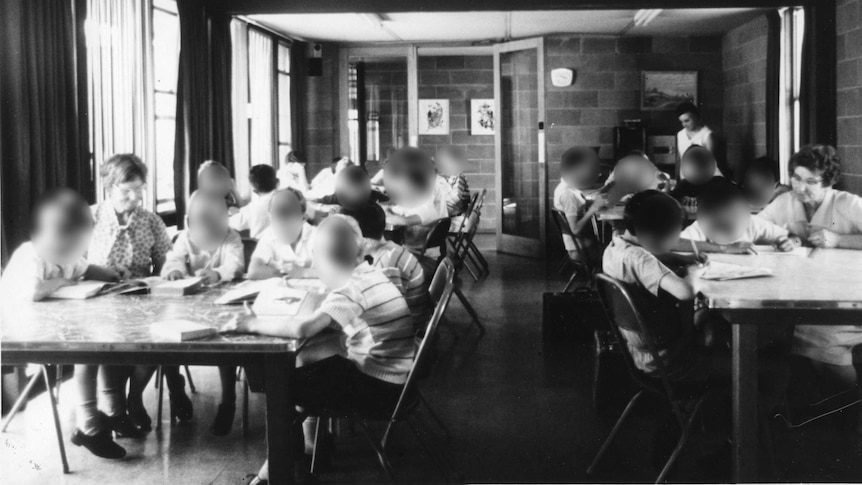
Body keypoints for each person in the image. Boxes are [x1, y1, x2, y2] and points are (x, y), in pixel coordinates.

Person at [223, 214, 415, 484]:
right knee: (304, 366)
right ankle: (307, 449)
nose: (314, 265)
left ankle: (274, 473)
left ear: (325, 259)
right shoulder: (369, 272)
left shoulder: (350, 289)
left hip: (380, 388)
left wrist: (253, 323)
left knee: (282, 390)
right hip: (395, 376)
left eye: (316, 257)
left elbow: (304, 329)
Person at [1, 188, 129, 458]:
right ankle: (89, 427)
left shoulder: (66, 253)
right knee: (91, 346)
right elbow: (34, 292)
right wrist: (61, 281)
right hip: (19, 330)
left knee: (106, 338)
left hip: (57, 324)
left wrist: (113, 274)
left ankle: (115, 411)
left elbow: (87, 268)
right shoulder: (31, 254)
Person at [758, 145, 862, 427]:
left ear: (829, 182)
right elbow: (756, 228)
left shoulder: (847, 203)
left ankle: (852, 408)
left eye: (811, 181)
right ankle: (821, 410)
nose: (801, 188)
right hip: (811, 290)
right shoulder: (786, 202)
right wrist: (779, 238)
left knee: (820, 335)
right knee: (787, 332)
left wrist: (839, 240)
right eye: (796, 178)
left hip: (850, 295)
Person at [211, 187, 316, 437]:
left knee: (303, 355)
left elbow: (328, 269)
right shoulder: (270, 235)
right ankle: (231, 400)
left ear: (302, 212)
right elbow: (256, 271)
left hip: (308, 309)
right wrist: (289, 271)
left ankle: (305, 425)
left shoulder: (317, 235)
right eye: (276, 213)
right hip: (277, 306)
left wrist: (301, 272)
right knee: (232, 331)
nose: (282, 218)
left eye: (289, 211)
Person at [88, 153, 172, 435]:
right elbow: (73, 265)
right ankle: (115, 409)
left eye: (140, 189)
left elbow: (164, 263)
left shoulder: (151, 221)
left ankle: (134, 398)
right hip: (99, 301)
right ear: (109, 187)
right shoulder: (90, 217)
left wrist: (168, 273)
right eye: (127, 191)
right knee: (106, 342)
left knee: (152, 341)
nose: (135, 197)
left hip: (142, 300)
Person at [602, 190, 712, 382]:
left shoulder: (616, 247)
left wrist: (680, 258)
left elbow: (648, 257)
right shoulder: (640, 259)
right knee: (712, 319)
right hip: (668, 360)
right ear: (656, 234)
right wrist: (694, 271)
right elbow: (685, 292)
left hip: (641, 351)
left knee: (705, 317)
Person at [347, 202, 432, 332]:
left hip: (407, 330)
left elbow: (388, 316)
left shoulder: (388, 264)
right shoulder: (390, 250)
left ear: (366, 242)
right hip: (410, 318)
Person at [674, 178, 800, 254]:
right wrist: (724, 248)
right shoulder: (704, 226)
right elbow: (674, 243)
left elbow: (793, 237)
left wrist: (792, 242)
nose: (727, 216)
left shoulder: (753, 224)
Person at [162, 190, 245, 284]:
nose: (211, 233)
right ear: (190, 224)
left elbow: (235, 264)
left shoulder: (231, 238)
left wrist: (218, 274)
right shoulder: (185, 238)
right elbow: (175, 258)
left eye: (216, 230)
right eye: (205, 226)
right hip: (191, 294)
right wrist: (175, 270)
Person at [382, 148, 450, 254]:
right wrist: (390, 209)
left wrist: (387, 217)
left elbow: (424, 213)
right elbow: (411, 207)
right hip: (426, 242)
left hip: (421, 248)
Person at [246, 187, 317, 281]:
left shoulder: (316, 236)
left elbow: (336, 270)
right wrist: (287, 271)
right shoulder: (269, 235)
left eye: (289, 218)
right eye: (278, 217)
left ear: (303, 218)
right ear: (270, 218)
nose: (283, 225)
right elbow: (253, 271)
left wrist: (303, 272)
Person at [553, 146, 607, 264]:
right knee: (614, 251)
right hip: (581, 251)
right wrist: (592, 210)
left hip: (582, 245)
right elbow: (575, 230)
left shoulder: (567, 187)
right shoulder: (567, 194)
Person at [670, 145, 724, 216]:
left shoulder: (719, 183)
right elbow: (670, 200)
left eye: (702, 162)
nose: (698, 168)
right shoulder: (683, 186)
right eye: (693, 162)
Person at [230, 164, 280, 239]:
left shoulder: (253, 208)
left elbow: (230, 223)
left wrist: (235, 213)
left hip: (263, 249)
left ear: (254, 190)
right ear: (277, 182)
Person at [675, 102, 722, 179]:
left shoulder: (706, 135)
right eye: (681, 122)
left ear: (695, 117)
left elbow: (710, 163)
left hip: (702, 178)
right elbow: (679, 158)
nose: (684, 125)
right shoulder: (680, 134)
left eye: (687, 121)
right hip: (684, 178)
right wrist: (677, 177)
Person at [311, 165, 388, 211]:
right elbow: (308, 202)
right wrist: (322, 207)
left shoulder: (372, 194)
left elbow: (392, 202)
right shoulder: (339, 196)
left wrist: (382, 206)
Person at [435, 146, 471, 217]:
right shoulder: (451, 178)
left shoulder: (460, 178)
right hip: (451, 216)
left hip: (456, 219)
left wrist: (442, 183)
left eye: (446, 162)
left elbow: (456, 204)